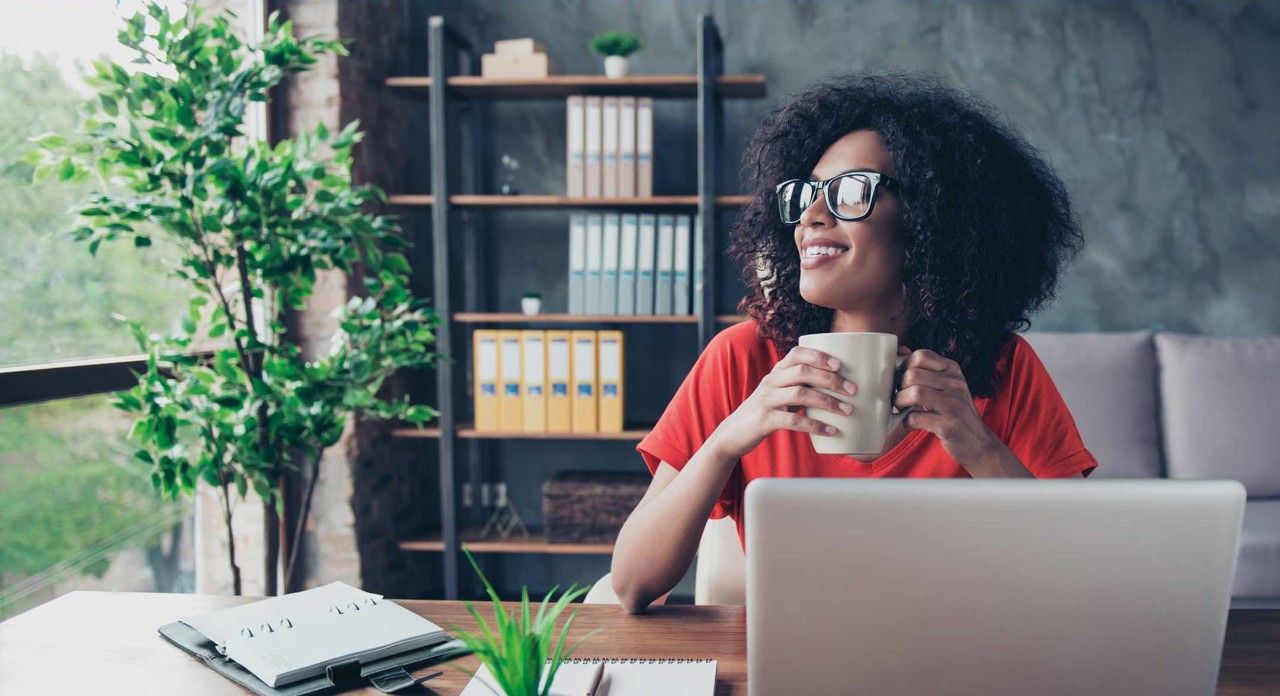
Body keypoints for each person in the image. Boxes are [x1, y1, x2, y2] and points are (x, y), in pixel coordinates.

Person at [610, 73, 1099, 614]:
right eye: (807, 194)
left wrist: (981, 448)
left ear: (931, 220)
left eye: (849, 192)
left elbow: (1081, 572)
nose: (812, 217)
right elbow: (631, 586)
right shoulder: (742, 357)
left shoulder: (1000, 366)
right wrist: (727, 440)